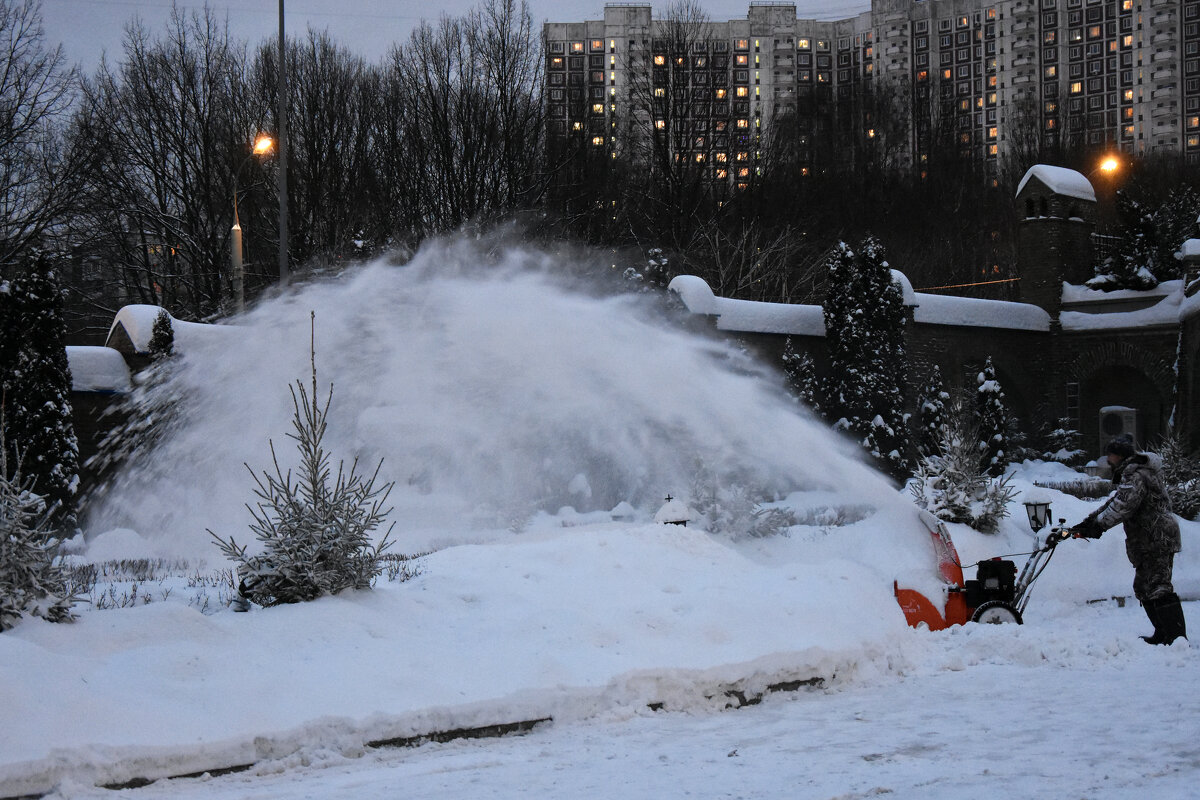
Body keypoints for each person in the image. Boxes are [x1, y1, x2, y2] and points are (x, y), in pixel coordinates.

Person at [1071, 435, 1186, 645]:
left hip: (1156, 537)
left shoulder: (1136, 475)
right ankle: (1163, 633)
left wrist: (1098, 526)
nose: (1107, 458)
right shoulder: (1131, 473)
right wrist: (1089, 522)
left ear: (1120, 456)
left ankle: (1177, 639)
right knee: (1143, 586)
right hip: (1146, 538)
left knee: (1159, 586)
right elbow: (1115, 502)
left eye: (1110, 454)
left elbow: (1123, 507)